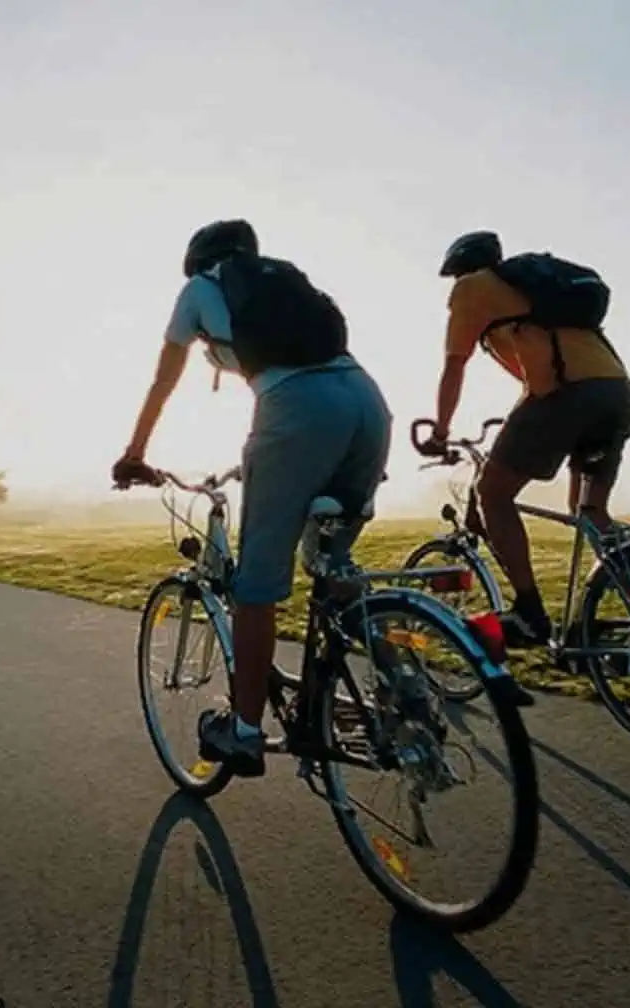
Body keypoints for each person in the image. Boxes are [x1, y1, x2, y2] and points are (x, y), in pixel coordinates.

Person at [112, 219, 392, 777]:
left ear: (196, 260)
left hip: (297, 409)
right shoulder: (285, 287)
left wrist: (134, 454)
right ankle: (397, 689)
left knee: (257, 585)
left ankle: (243, 732)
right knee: (332, 565)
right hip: (366, 402)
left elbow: (163, 381)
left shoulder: (199, 291)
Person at [416, 230, 630, 647]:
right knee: (590, 511)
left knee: (492, 493)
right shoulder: (533, 300)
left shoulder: (472, 288)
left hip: (570, 395)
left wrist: (441, 432)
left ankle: (530, 615)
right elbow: (532, 377)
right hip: (616, 392)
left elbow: (454, 366)